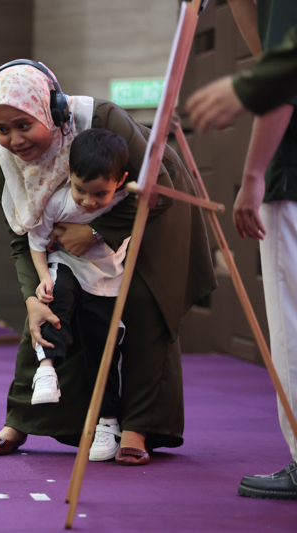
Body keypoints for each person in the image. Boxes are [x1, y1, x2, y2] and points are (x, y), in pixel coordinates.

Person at [0, 60, 216, 466]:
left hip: (149, 213)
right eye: (2, 129)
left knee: (141, 308)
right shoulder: (9, 163)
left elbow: (159, 188)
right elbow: (22, 237)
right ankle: (21, 420)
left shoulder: (102, 119)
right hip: (66, 235)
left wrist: (95, 232)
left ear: (51, 110)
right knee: (49, 307)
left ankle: (137, 427)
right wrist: (31, 297)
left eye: (24, 124)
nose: (14, 139)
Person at [186, 1, 297, 500]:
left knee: (290, 328)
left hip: (290, 177)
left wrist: (252, 177)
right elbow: (269, 53)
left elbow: (281, 78)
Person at [28, 129, 129, 461]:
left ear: (120, 182)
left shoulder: (127, 200)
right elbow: (36, 242)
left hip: (107, 280)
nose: (88, 201)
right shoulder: (57, 201)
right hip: (67, 262)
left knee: (103, 351)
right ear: (69, 174)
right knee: (55, 297)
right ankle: (46, 368)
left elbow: (154, 202)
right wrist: (43, 277)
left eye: (100, 194)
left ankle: (108, 421)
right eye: (80, 189)